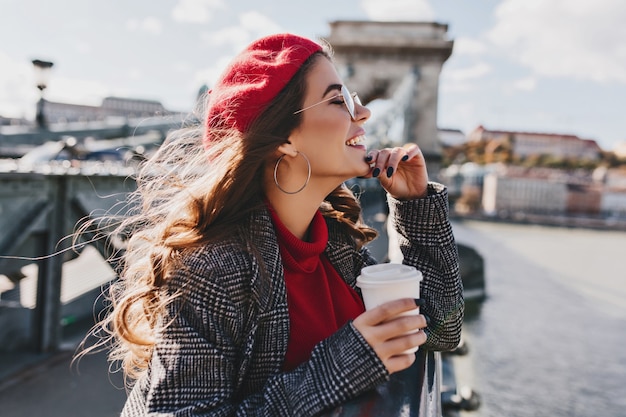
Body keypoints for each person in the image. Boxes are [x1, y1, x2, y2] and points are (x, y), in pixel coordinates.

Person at [87, 33, 463, 416]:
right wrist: (342, 365)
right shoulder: (213, 270)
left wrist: (414, 205)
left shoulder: (333, 245)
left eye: (355, 100)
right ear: (283, 139)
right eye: (339, 101)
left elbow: (440, 329)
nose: (363, 114)